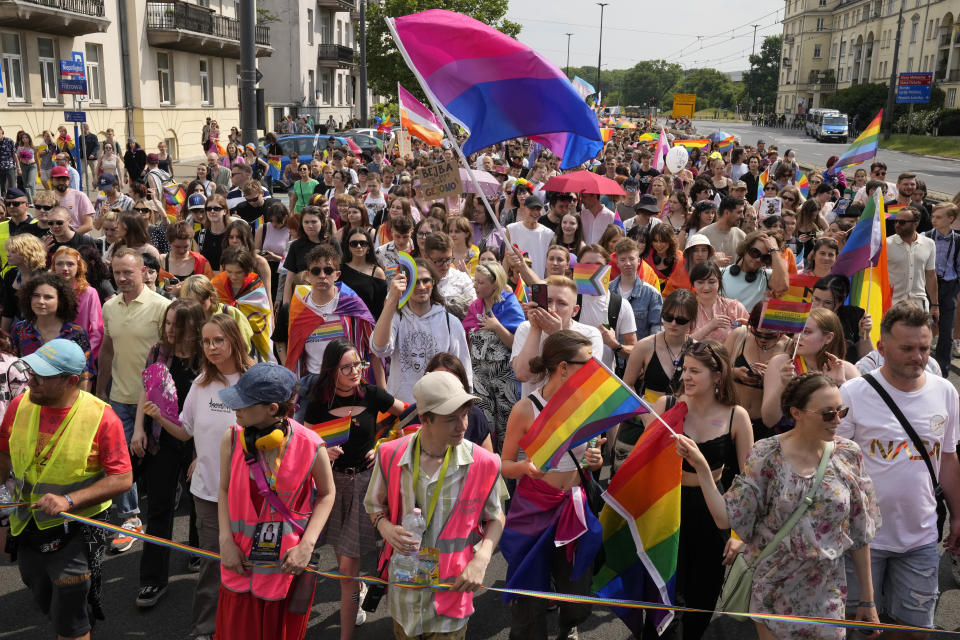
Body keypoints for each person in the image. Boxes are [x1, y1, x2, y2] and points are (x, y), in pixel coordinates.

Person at [676, 372, 881, 640]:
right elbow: (726, 518)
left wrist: (868, 599)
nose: (838, 421)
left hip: (827, 592)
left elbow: (859, 531)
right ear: (797, 413)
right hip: (774, 590)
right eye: (828, 414)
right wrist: (702, 467)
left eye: (841, 411)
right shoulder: (767, 454)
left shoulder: (848, 453)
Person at [839, 302, 960, 636]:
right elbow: (833, 463)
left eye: (924, 348)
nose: (918, 356)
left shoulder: (945, 392)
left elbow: (948, 458)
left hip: (920, 538)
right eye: (907, 348)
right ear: (881, 347)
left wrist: (958, 515)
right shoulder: (853, 393)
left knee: (913, 631)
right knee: (859, 630)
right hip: (862, 541)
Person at [0, 339, 133, 640]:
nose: (30, 380)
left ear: (71, 380)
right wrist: (3, 505)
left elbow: (122, 479)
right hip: (27, 525)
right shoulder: (20, 405)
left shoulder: (103, 417)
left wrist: (69, 499)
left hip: (77, 531)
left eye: (41, 376)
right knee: (43, 593)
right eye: (31, 371)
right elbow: (4, 454)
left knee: (70, 611)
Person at [364, 370, 505, 640]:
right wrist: (385, 528)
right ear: (425, 418)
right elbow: (373, 505)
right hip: (404, 596)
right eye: (451, 418)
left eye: (465, 414)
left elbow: (496, 517)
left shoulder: (485, 463)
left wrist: (483, 558)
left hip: (452, 596)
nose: (462, 425)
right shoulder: (389, 454)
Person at [213, 363, 335, 640]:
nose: (236, 409)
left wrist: (307, 545)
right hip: (239, 565)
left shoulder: (311, 444)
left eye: (244, 404)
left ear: (272, 409)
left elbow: (328, 494)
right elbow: (222, 490)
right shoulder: (231, 439)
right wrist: (225, 542)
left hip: (285, 571)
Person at [295, 339, 405, 637]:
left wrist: (386, 445)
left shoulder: (372, 394)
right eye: (347, 367)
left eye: (358, 364)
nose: (356, 371)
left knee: (346, 569)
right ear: (332, 371)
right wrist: (321, 453)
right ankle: (356, 585)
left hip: (366, 488)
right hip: (330, 488)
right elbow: (301, 442)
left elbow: (408, 414)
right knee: (343, 559)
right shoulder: (316, 403)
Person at [644, 340, 752, 640]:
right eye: (684, 369)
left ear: (717, 375)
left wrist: (737, 534)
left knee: (701, 601)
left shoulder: (736, 416)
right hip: (668, 509)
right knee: (661, 597)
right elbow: (644, 465)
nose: (686, 377)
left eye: (696, 371)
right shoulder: (666, 406)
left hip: (711, 513)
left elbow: (749, 481)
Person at [500, 330, 605, 640]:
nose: (593, 370)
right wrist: (524, 468)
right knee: (528, 596)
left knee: (577, 592)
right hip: (533, 507)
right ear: (563, 368)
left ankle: (568, 622)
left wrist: (594, 461)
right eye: (586, 364)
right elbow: (504, 464)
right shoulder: (525, 409)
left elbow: (589, 460)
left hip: (573, 506)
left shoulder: (587, 406)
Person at [130, 298, 205, 609]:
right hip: (161, 439)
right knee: (159, 509)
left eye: (179, 324)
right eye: (169, 323)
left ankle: (198, 552)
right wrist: (138, 429)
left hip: (198, 444)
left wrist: (204, 454)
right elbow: (146, 390)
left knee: (202, 504)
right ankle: (152, 580)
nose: (171, 329)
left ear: (194, 325)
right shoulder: (159, 351)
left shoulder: (207, 357)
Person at [96, 248, 172, 552]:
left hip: (156, 402)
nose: (122, 278)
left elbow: (169, 356)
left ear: (144, 271)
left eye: (128, 272)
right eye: (117, 273)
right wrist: (101, 390)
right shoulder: (109, 307)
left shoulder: (163, 307)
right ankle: (130, 518)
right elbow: (107, 350)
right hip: (118, 397)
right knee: (120, 461)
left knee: (155, 462)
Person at [371, 258, 472, 404]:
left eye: (426, 281)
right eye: (415, 282)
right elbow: (379, 349)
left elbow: (463, 369)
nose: (421, 286)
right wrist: (392, 300)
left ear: (434, 283)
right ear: (406, 285)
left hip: (439, 407)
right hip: (403, 409)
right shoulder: (396, 318)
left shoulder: (451, 323)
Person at [761, 308, 860, 431]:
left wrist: (840, 386)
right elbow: (768, 420)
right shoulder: (781, 363)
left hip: (831, 444)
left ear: (828, 338)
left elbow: (859, 419)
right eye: (797, 331)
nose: (798, 337)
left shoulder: (848, 370)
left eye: (807, 332)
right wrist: (783, 385)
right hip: (789, 444)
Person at [462, 262, 525, 449]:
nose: (475, 286)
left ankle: (508, 473)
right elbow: (466, 335)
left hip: (505, 377)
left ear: (495, 284)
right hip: (480, 376)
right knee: (484, 424)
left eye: (481, 282)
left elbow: (517, 344)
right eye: (475, 281)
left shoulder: (510, 304)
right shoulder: (475, 306)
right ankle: (487, 467)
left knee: (507, 426)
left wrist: (497, 327)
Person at [511, 275, 603, 397]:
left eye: (562, 303)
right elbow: (523, 374)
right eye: (548, 301)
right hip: (533, 412)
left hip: (570, 409)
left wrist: (558, 335)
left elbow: (584, 381)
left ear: (575, 311)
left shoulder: (590, 335)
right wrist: (535, 328)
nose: (553, 309)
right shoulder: (526, 328)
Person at [11, 270, 96, 390]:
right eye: (36, 296)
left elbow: (85, 374)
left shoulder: (76, 333)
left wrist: (80, 406)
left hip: (63, 400)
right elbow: (14, 367)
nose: (41, 301)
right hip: (27, 397)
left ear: (60, 301)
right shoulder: (20, 330)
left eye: (48, 297)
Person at [213, 245, 275, 363]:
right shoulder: (216, 285)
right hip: (223, 340)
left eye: (238, 272)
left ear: (248, 270)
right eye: (229, 271)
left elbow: (261, 319)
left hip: (252, 343)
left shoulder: (256, 288)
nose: (233, 276)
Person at [924, 202, 960, 375]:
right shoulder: (926, 236)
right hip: (927, 285)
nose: (934, 220)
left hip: (949, 286)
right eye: (933, 216)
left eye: (939, 217)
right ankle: (922, 367)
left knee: (946, 332)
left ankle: (942, 372)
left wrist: (955, 287)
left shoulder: (958, 240)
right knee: (922, 326)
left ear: (950, 219)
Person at [52, 246, 104, 361]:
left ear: (78, 267)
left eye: (70, 264)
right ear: (54, 267)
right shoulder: (47, 291)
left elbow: (97, 332)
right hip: (51, 353)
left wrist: (84, 357)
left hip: (79, 355)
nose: (64, 268)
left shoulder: (89, 293)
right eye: (59, 264)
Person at [721, 230, 789, 312]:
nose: (758, 260)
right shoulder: (721, 273)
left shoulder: (768, 277)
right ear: (745, 248)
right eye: (755, 252)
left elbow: (782, 286)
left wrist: (774, 250)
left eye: (765, 258)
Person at [689, 261, 748, 343]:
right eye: (700, 282)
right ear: (693, 284)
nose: (706, 287)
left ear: (719, 283)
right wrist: (710, 327)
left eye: (711, 282)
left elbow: (753, 338)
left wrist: (748, 328)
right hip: (693, 356)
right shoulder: (685, 309)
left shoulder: (735, 307)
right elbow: (679, 344)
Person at [339, 226, 387, 320]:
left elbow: (380, 306)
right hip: (344, 323)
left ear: (369, 246)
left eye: (363, 243)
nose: (359, 246)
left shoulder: (377, 272)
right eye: (354, 243)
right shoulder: (340, 270)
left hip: (369, 324)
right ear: (348, 247)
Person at [425, 231, 476, 320]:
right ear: (426, 258)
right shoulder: (418, 281)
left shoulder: (462, 279)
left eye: (448, 259)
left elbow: (474, 308)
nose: (445, 265)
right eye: (439, 261)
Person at [506, 194, 554, 277]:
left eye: (538, 209)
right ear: (524, 208)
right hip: (518, 282)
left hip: (538, 282)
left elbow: (548, 264)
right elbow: (506, 258)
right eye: (532, 208)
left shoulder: (548, 234)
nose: (535, 212)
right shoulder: (511, 229)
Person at [697, 196, 746, 267]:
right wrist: (713, 264)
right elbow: (694, 266)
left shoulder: (742, 236)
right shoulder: (703, 235)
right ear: (726, 212)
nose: (742, 217)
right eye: (739, 212)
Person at [48, 166, 94, 235]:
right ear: (51, 180)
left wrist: (70, 236)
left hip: (79, 238)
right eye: (58, 179)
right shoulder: (47, 198)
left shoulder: (80, 196)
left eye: (64, 180)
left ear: (68, 181)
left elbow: (89, 225)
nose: (61, 182)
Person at [195, 194, 230, 272]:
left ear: (225, 211)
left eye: (217, 208)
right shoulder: (199, 235)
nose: (212, 211)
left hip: (228, 279)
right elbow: (197, 263)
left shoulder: (232, 234)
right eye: (208, 208)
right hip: (206, 280)